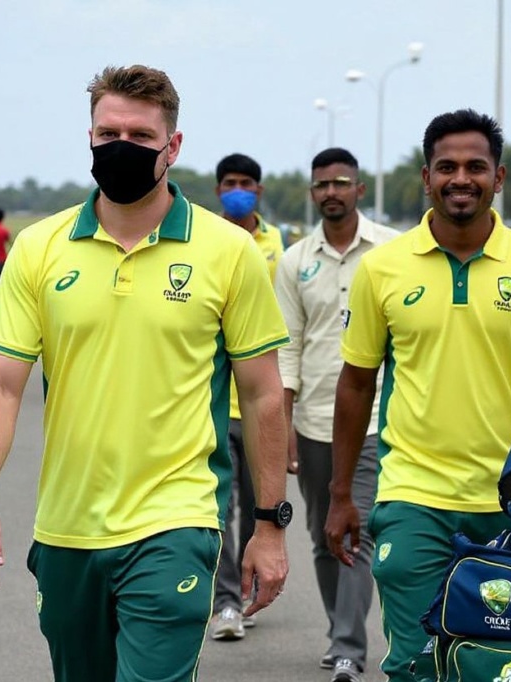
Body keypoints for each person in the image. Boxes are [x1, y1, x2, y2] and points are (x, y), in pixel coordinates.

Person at [0, 64, 292, 682]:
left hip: (177, 520)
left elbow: (265, 396)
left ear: (174, 146)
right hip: (67, 529)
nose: (121, 147)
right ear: (89, 136)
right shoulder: (40, 247)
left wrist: (269, 525)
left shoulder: (227, 251)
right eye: (108, 133)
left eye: (140, 136)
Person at [325, 109, 511, 681]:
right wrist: (341, 494)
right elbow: (356, 383)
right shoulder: (382, 269)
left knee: (508, 665)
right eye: (447, 167)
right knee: (416, 664)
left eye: (475, 167)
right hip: (414, 495)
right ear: (426, 177)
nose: (461, 178)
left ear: (500, 177)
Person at [275, 147, 399, 682]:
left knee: (359, 530)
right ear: (313, 192)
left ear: (360, 190)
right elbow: (286, 351)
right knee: (323, 534)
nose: (332, 191)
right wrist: (281, 429)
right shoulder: (294, 261)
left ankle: (350, 647)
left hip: (373, 423)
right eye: (322, 184)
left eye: (341, 182)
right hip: (312, 422)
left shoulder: (392, 252)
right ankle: (338, 630)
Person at [209, 152, 288, 641]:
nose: (237, 189)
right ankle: (225, 605)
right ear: (219, 190)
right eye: (229, 182)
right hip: (216, 405)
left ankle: (250, 588)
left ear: (258, 190)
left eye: (246, 182)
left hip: (261, 404)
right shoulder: (207, 242)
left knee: (258, 509)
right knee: (220, 509)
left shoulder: (281, 246)